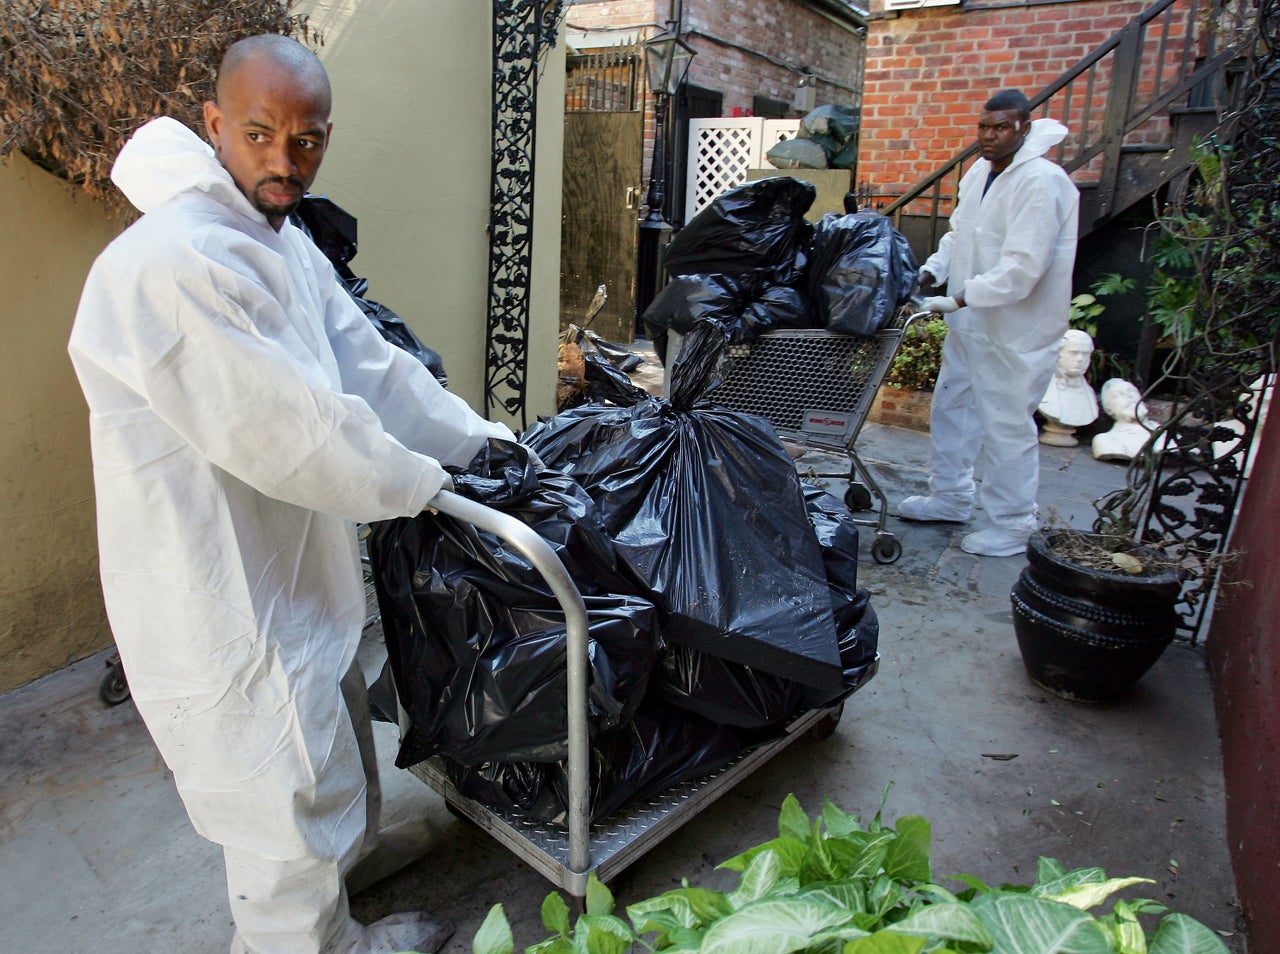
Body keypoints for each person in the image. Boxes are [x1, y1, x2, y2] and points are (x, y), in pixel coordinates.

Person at [67, 35, 516, 954]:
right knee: (273, 760)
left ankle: (351, 856)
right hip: (210, 568)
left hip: (283, 541)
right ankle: (305, 940)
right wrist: (427, 485)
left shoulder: (277, 237)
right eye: (261, 134)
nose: (284, 160)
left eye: (306, 141)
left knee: (327, 704)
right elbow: (295, 430)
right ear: (215, 124)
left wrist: (481, 443)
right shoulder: (177, 264)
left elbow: (373, 369)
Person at [898, 89, 1080, 557]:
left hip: (1018, 329)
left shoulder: (1042, 182)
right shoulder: (979, 172)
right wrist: (931, 271)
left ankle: (1014, 523)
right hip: (971, 324)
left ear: (1023, 128)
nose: (989, 136)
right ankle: (951, 496)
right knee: (952, 406)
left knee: (1005, 424)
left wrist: (958, 298)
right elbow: (962, 235)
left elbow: (1023, 268)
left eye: (1001, 128)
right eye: (984, 127)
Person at [1037, 329, 1099, 445]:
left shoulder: (1089, 396)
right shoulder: (1040, 387)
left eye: (1086, 354)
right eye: (1074, 353)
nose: (1081, 359)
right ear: (1058, 353)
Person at [1092, 378, 1158, 461]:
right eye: (1120, 394)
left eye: (1132, 391)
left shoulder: (1166, 434)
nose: (1129, 396)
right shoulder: (1105, 441)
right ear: (1109, 409)